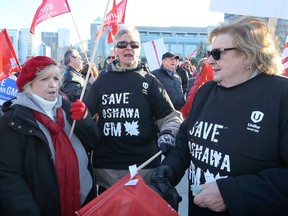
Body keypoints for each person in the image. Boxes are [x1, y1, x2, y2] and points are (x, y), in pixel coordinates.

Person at [150, 16, 288, 216]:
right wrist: (170, 168)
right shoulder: (206, 91)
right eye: (209, 53)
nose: (209, 60)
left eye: (217, 53)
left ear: (248, 55)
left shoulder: (281, 95)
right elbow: (185, 142)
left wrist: (231, 193)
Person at [83, 26, 183, 195]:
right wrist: (79, 115)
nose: (128, 47)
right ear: (115, 50)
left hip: (143, 168)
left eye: (134, 44)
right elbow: (84, 117)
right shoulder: (101, 81)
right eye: (122, 44)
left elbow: (170, 117)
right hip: (107, 171)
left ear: (139, 49)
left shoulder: (150, 81)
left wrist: (168, 133)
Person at [0, 56, 100, 216]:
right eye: (44, 79)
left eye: (55, 78)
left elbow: (93, 142)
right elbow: (8, 177)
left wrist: (85, 119)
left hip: (82, 205)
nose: (53, 84)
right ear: (29, 84)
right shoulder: (13, 120)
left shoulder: (67, 108)